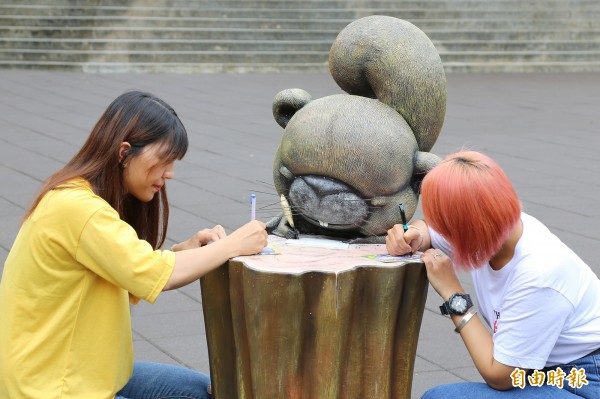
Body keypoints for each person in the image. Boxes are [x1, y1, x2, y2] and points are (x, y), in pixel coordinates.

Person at [0, 90, 268, 399]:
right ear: (124, 152)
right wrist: (233, 244)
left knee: (206, 391)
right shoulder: (78, 208)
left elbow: (131, 271)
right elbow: (153, 275)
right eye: (164, 160)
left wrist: (184, 252)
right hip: (52, 388)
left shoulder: (78, 198)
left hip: (85, 373)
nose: (170, 173)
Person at [386, 150, 600, 398]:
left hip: (584, 379)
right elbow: (428, 230)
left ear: (465, 226)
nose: (441, 231)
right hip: (545, 369)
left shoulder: (539, 273)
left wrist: (454, 295)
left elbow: (501, 375)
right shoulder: (494, 226)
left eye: (444, 222)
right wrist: (414, 234)